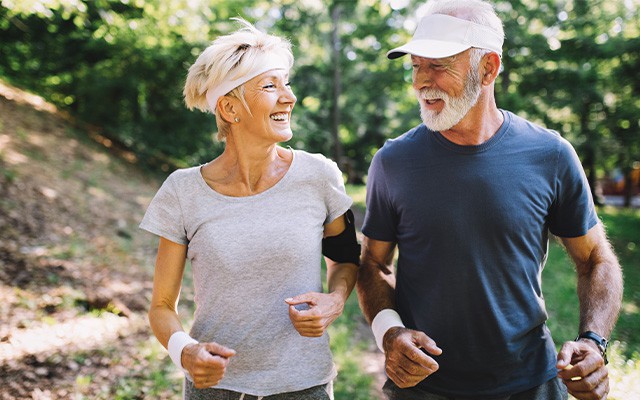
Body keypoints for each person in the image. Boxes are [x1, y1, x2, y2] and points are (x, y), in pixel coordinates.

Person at [356, 1, 623, 399]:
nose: (420, 82)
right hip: (424, 388)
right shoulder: (393, 162)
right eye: (416, 65)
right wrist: (390, 332)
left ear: (489, 68)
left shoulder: (550, 154)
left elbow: (596, 259)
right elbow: (374, 263)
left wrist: (593, 341)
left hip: (531, 383)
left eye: (438, 66)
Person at [140, 18, 360, 400]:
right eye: (270, 86)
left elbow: (345, 259)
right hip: (214, 388)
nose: (288, 97)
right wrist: (185, 352)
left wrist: (335, 300)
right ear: (229, 108)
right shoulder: (182, 191)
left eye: (286, 83)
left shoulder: (319, 176)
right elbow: (161, 305)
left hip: (304, 386)